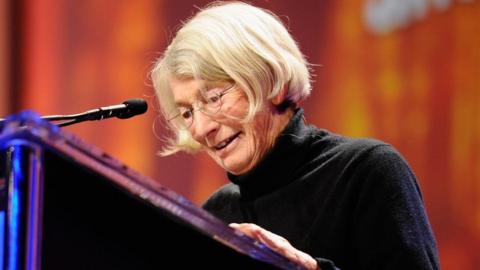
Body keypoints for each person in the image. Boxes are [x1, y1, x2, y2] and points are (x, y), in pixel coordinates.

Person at [150, 2, 440, 269]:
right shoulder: (217, 213)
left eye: (214, 98)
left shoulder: (366, 171)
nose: (201, 129)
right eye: (187, 112)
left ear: (272, 81)